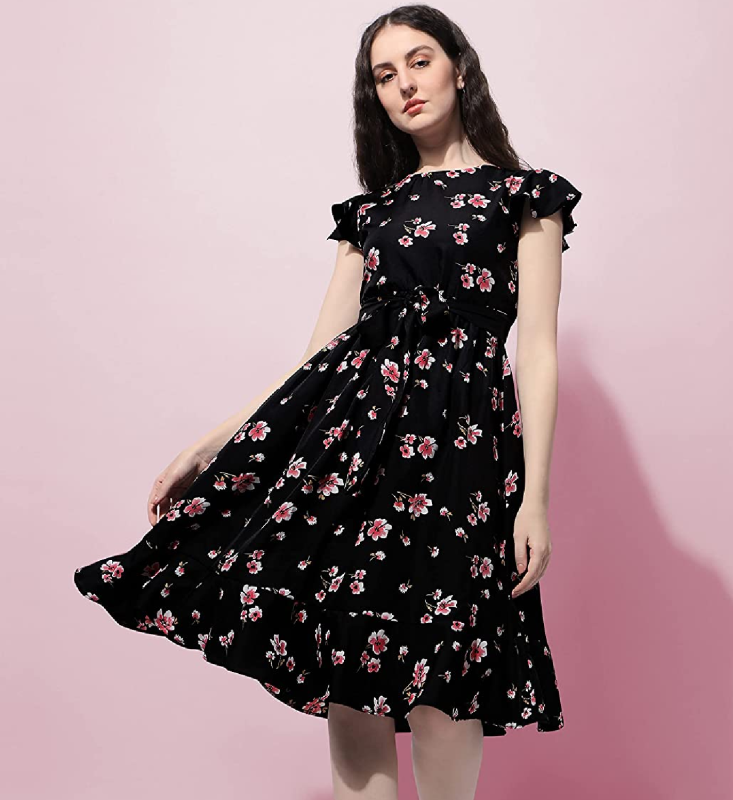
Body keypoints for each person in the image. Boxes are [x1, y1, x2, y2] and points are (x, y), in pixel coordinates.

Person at [73, 5, 583, 799]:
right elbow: (318, 356)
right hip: (357, 458)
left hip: (463, 456)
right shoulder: (370, 213)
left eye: (419, 61)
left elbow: (538, 351)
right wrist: (211, 444)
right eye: (385, 75)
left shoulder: (524, 196)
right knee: (353, 685)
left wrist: (535, 500)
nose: (405, 84)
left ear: (459, 68)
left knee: (446, 690)